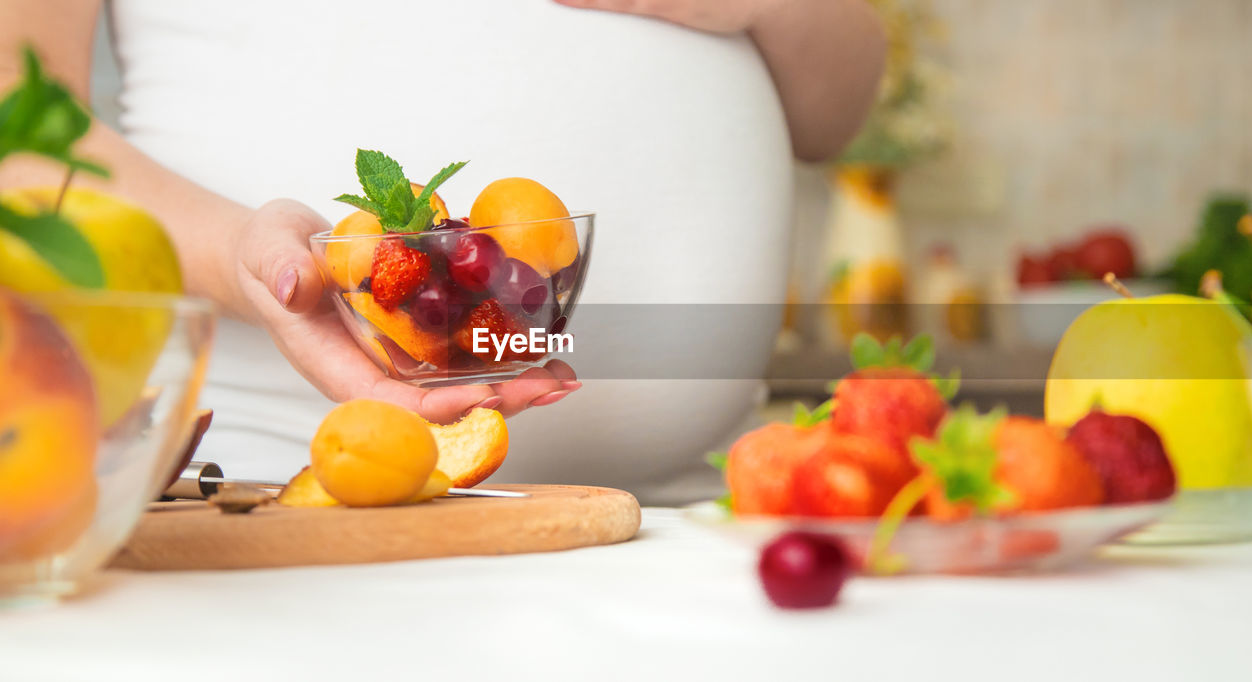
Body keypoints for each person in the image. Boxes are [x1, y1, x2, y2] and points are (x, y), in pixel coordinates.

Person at [0, 0, 885, 504]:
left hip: (708, 512)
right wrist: (243, 253)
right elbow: (16, 130)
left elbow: (836, 114)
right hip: (279, 504)